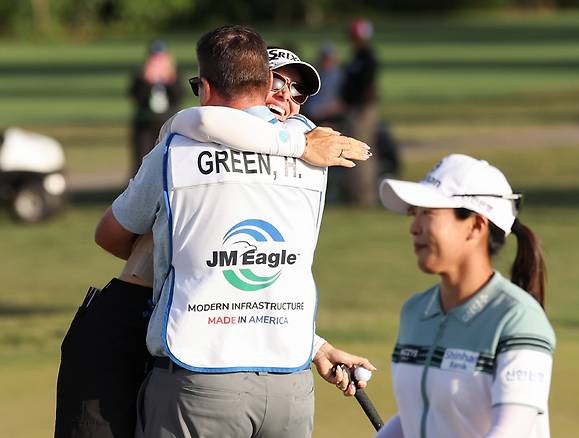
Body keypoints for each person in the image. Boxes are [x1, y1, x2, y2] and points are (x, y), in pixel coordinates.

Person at [94, 26, 374, 438]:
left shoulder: (178, 146)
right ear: (264, 87)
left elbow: (109, 234)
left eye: (297, 92)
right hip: (290, 382)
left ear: (205, 86)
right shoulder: (317, 149)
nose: (288, 99)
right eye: (280, 85)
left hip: (197, 373)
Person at [375, 154, 556, 438]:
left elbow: (510, 432)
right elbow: (423, 412)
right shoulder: (415, 312)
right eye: (414, 213)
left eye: (429, 213)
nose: (414, 227)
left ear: (475, 225)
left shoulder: (518, 318)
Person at [340, 18, 380, 206]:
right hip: (353, 108)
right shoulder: (356, 56)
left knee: (362, 151)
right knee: (355, 150)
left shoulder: (367, 57)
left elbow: (368, 87)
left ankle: (365, 197)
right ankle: (355, 194)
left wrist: (362, 108)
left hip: (362, 110)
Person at [128, 40, 183, 175]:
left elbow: (179, 96)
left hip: (166, 122)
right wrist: (146, 80)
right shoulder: (141, 76)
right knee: (142, 160)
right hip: (145, 125)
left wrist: (170, 78)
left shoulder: (173, 75)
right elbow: (136, 96)